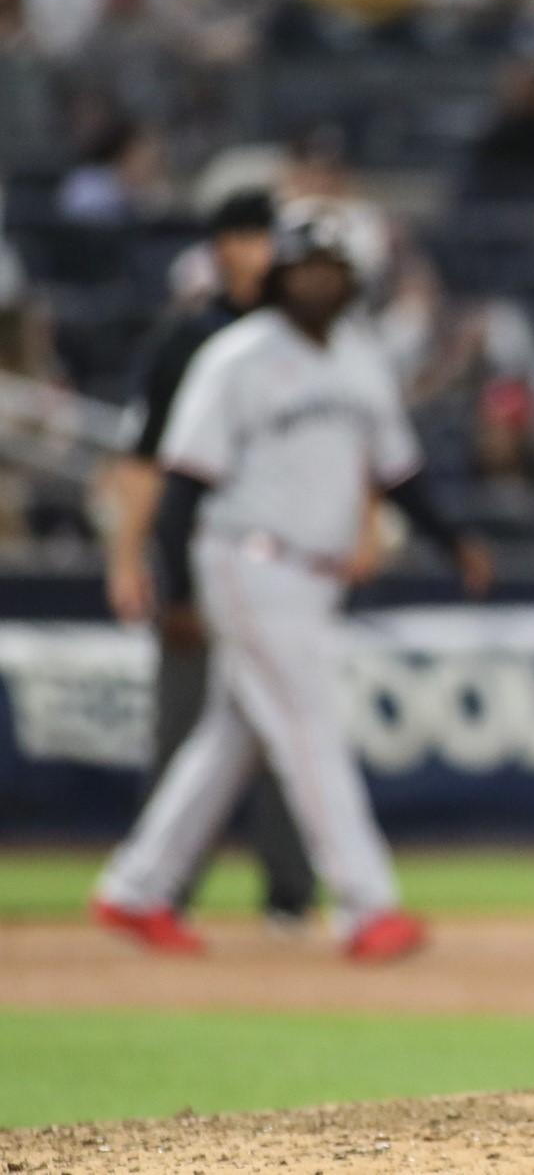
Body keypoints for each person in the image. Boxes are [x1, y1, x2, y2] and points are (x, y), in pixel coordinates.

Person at [91, 206, 494, 961]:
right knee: (309, 727)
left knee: (232, 735)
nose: (318, 282)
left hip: (314, 573)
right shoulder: (235, 356)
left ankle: (135, 887)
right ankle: (367, 905)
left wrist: (452, 543)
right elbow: (182, 483)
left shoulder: (359, 356)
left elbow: (396, 472)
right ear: (279, 275)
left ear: (352, 282)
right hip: (246, 559)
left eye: (332, 271)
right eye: (305, 268)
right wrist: (173, 590)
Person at [102, 191, 317, 930]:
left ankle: (289, 897)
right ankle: (164, 891)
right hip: (195, 549)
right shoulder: (186, 338)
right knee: (186, 724)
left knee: (292, 732)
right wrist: (128, 556)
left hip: (287, 558)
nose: (254, 251)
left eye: (265, 237)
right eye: (243, 236)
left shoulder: (308, 336)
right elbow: (141, 462)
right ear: (221, 247)